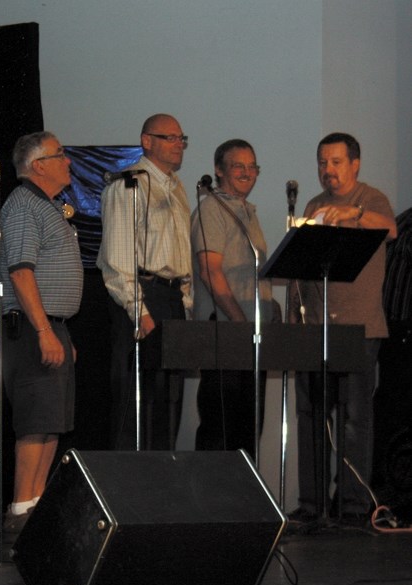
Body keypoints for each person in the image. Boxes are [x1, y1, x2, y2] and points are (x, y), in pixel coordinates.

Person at [290, 132, 397, 524]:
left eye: (336, 162)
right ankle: (313, 503)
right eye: (322, 162)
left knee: (354, 420)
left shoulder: (370, 199)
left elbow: (390, 230)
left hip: (359, 329)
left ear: (355, 164)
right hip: (315, 328)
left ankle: (352, 505)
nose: (328, 170)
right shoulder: (314, 205)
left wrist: (352, 215)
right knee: (311, 414)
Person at [0, 132, 83, 533]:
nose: (68, 161)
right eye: (60, 155)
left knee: (50, 423)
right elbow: (20, 271)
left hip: (52, 328)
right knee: (34, 424)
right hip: (32, 330)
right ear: (39, 165)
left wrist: (60, 333)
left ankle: (34, 509)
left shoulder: (46, 205)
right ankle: (20, 514)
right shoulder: (22, 207)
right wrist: (45, 331)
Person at [97, 114, 192, 450]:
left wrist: (185, 303)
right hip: (141, 298)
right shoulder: (128, 185)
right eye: (170, 137)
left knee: (170, 397)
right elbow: (117, 259)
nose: (178, 144)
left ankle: (163, 483)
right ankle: (129, 490)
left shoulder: (177, 188)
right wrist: (141, 311)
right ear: (146, 141)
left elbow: (181, 255)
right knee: (137, 397)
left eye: (181, 138)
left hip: (171, 300)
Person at [190, 139, 274, 460]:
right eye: (238, 166)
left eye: (252, 166)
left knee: (248, 427)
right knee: (221, 426)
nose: (247, 172)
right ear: (218, 170)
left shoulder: (245, 212)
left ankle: (246, 503)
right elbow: (210, 271)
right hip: (226, 331)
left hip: (251, 333)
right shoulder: (212, 208)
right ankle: (215, 506)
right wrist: (240, 322)